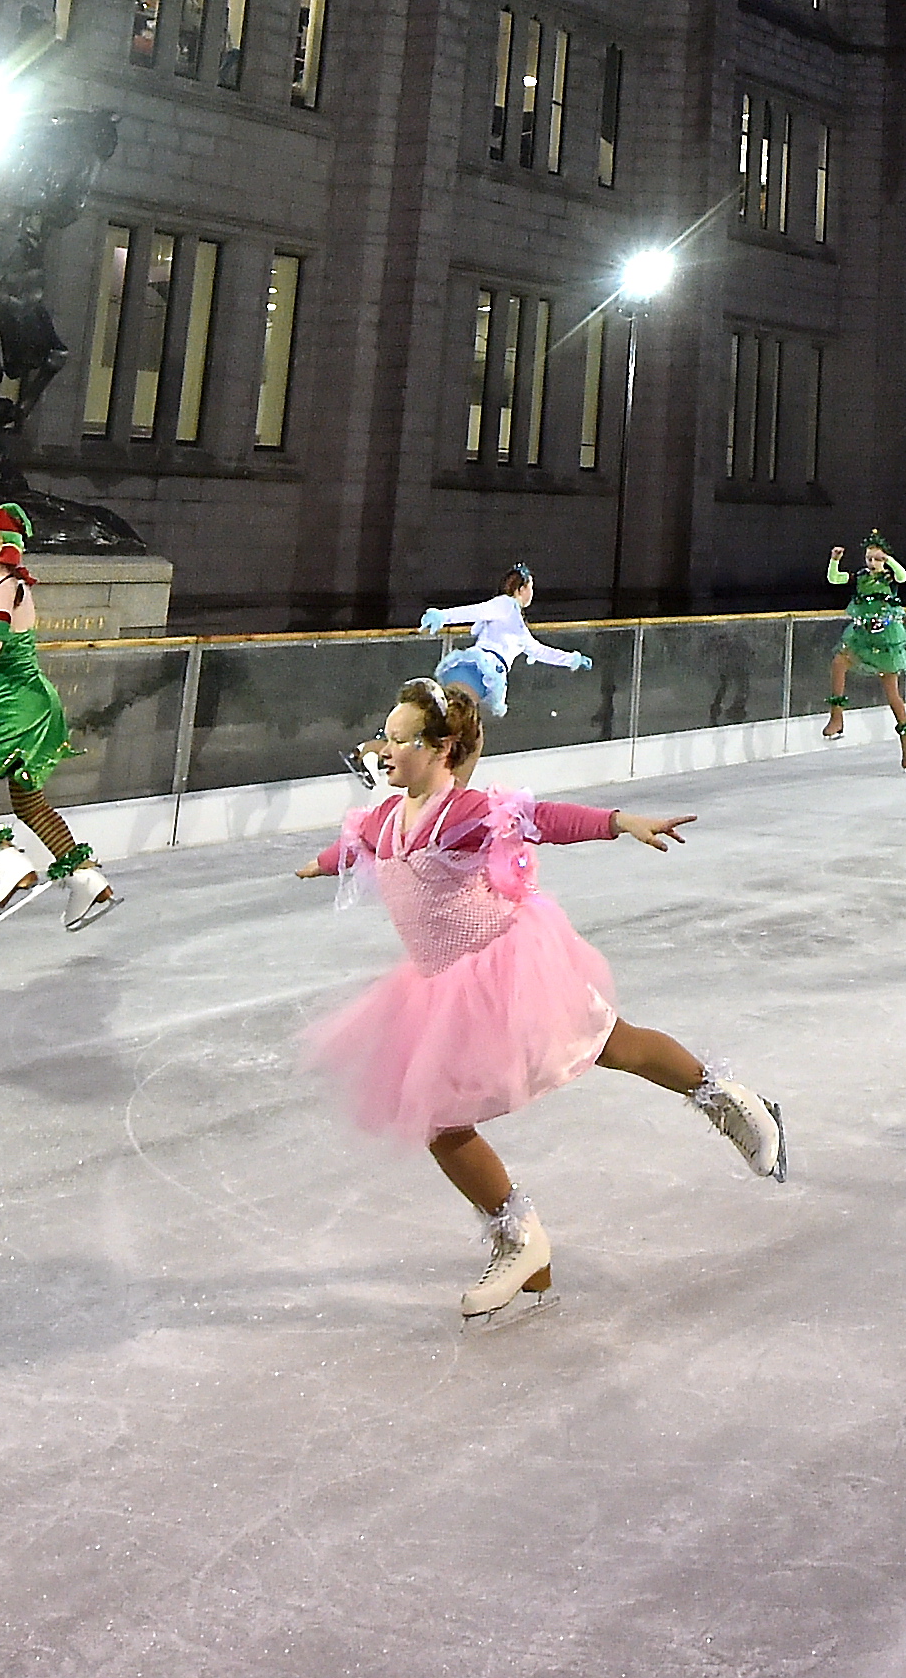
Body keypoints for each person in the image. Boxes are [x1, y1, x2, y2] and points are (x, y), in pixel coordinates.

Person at [299, 676, 788, 1318]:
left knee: (615, 1045)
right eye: (381, 739)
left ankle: (727, 1098)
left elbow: (542, 820)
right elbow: (360, 847)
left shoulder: (466, 813)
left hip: (509, 970)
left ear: (442, 748)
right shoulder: (387, 817)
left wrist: (619, 822)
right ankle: (521, 1241)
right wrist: (323, 861)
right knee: (438, 1120)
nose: (382, 752)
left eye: (398, 740)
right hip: (438, 991)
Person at [0, 507, 118, 933]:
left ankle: (8, 864)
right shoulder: (9, 590)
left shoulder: (2, 592)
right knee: (28, 799)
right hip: (32, 702)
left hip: (13, 706)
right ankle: (86, 876)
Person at [422, 562, 595, 721]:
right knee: (456, 718)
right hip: (479, 669)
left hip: (485, 672)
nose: (532, 593)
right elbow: (476, 611)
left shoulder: (515, 618)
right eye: (531, 587)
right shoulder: (504, 605)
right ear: (521, 589)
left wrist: (572, 659)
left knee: (459, 720)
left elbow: (538, 651)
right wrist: (443, 615)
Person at [822, 534, 906, 762]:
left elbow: (903, 577)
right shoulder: (861, 577)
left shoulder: (890, 578)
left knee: (892, 693)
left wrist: (889, 559)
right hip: (862, 637)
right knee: (838, 662)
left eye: (876, 559)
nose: (872, 562)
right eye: (869, 558)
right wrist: (834, 560)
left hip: (885, 640)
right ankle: (837, 717)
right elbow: (835, 579)